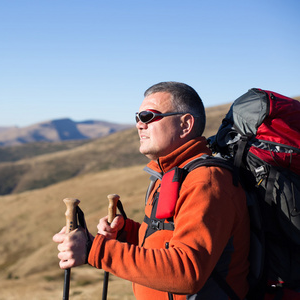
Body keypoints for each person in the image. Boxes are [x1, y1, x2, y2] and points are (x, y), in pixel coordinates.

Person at [53, 81, 250, 300]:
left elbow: (187, 272)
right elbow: (167, 240)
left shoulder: (207, 181)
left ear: (185, 124)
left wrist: (93, 250)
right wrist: (127, 234)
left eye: (148, 116)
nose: (139, 124)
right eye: (138, 117)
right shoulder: (171, 174)